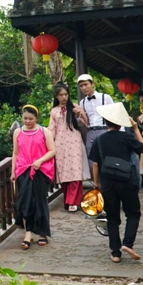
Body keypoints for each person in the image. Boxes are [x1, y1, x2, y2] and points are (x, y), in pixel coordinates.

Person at [89, 102, 143, 263]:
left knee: (112, 218)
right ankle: (128, 244)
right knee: (133, 213)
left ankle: (115, 253)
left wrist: (97, 183)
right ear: (120, 122)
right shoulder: (126, 137)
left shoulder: (99, 140)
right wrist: (135, 128)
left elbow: (95, 164)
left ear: (105, 122)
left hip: (107, 183)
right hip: (126, 181)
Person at [12, 106, 56, 248]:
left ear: (36, 118)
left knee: (39, 201)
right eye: (25, 118)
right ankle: (28, 233)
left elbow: (52, 150)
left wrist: (40, 160)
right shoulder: (18, 132)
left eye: (31, 119)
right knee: (25, 201)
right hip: (23, 169)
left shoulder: (44, 131)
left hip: (40, 170)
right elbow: (15, 153)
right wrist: (13, 171)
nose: (28, 121)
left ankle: (42, 232)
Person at [49, 83, 86, 211]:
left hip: (74, 140)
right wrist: (47, 143)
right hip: (60, 144)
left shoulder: (75, 107)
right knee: (64, 172)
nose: (64, 97)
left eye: (66, 94)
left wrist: (80, 113)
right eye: (61, 95)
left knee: (75, 170)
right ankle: (69, 201)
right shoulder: (54, 111)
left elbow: (85, 122)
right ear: (56, 96)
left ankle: (73, 202)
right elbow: (52, 129)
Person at [78, 74, 114, 176]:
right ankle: (97, 184)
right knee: (91, 158)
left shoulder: (105, 97)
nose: (84, 88)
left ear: (92, 84)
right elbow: (82, 120)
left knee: (106, 156)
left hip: (104, 129)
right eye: (81, 86)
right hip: (90, 131)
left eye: (85, 84)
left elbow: (114, 113)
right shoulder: (82, 102)